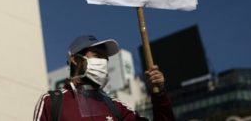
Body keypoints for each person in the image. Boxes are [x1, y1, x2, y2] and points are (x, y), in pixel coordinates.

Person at [33, 35, 174, 121]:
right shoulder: (52, 102)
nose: (103, 62)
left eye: (105, 59)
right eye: (97, 56)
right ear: (75, 60)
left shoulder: (116, 107)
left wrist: (159, 94)